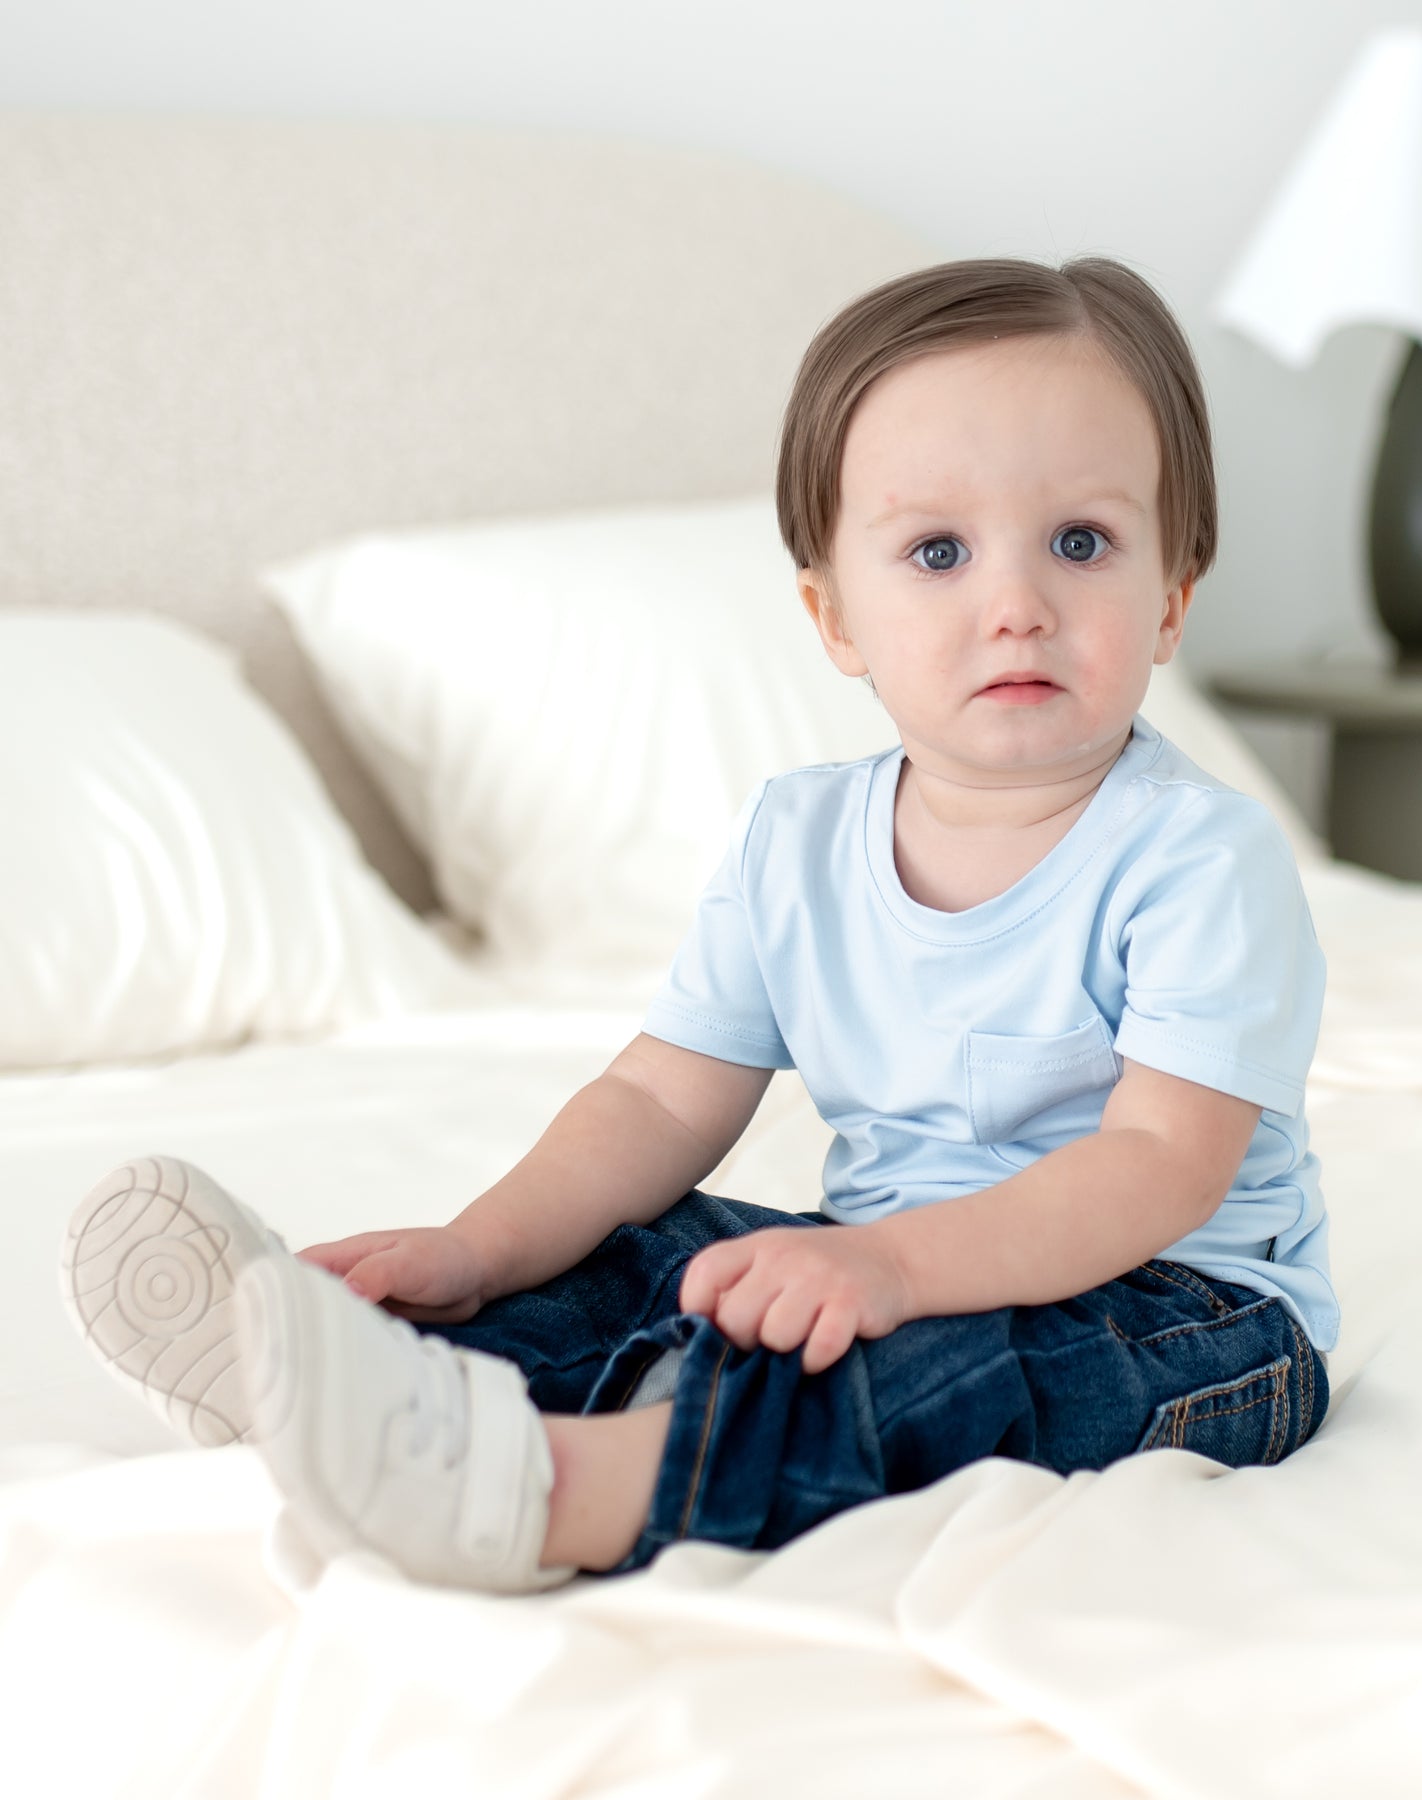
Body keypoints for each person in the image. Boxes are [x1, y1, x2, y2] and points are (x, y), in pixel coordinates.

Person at [60, 255, 1338, 1595]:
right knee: (661, 1256)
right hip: (892, 1267)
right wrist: (477, 1245)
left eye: (1081, 542)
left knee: (926, 1371)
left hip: (1181, 1323)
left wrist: (892, 1265)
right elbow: (661, 1103)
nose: (1014, 601)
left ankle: (571, 1492)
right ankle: (371, 1373)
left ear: (1174, 596)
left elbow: (1156, 1168)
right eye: (939, 552)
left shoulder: (1202, 856)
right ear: (833, 615)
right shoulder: (797, 842)